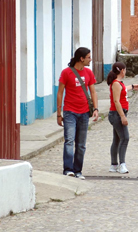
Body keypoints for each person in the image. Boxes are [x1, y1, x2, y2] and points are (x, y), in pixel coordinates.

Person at [56, 47, 99, 179]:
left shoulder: (88, 73)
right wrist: (59, 113)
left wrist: (96, 109)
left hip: (84, 112)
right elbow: (60, 93)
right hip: (70, 112)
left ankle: (78, 170)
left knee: (81, 144)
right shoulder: (66, 73)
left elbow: (92, 91)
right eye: (88, 57)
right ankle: (68, 169)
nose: (90, 60)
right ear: (81, 58)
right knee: (69, 140)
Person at [107, 62, 138, 174]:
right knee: (125, 138)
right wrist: (122, 116)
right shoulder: (116, 84)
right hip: (117, 114)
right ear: (122, 70)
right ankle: (122, 164)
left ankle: (113, 165)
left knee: (117, 139)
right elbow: (116, 101)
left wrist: (132, 86)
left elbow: (123, 90)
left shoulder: (118, 83)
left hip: (117, 114)